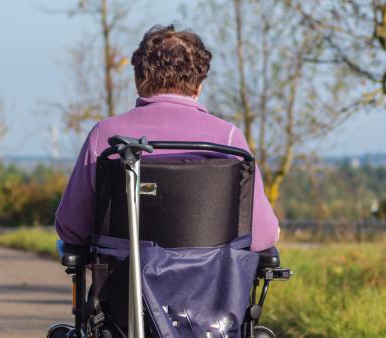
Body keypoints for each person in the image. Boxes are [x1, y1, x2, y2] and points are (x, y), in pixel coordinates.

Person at [55, 25, 279, 251]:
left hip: (123, 282)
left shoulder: (105, 135)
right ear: (199, 85)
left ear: (138, 80)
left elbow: (72, 228)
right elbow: (263, 235)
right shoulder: (227, 139)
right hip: (210, 283)